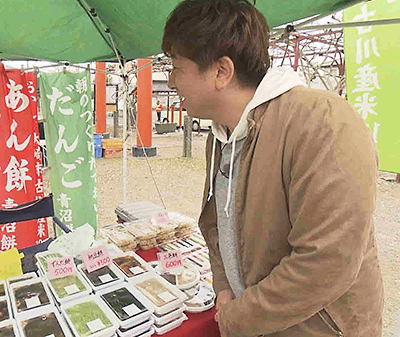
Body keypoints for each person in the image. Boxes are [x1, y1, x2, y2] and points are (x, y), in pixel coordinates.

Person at [162, 1, 383, 336]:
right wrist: (224, 287)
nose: (171, 81)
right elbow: (218, 224)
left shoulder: (323, 122)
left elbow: (327, 261)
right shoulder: (222, 134)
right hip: (261, 323)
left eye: (177, 67)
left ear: (221, 71)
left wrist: (240, 316)